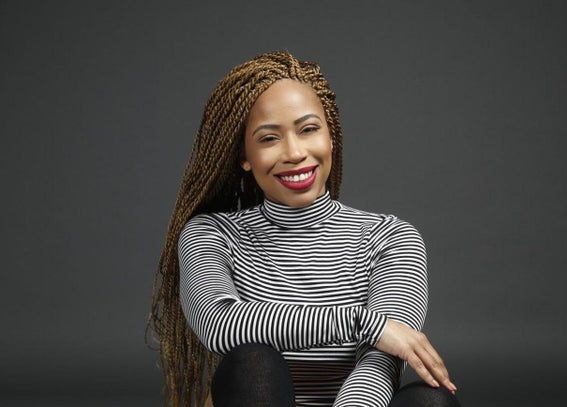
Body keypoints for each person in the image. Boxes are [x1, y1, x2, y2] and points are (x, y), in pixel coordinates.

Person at [147, 51, 461, 407]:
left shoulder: (391, 237)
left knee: (431, 401)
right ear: (244, 156)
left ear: (331, 136)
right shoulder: (211, 234)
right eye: (269, 138)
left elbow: (381, 363)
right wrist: (367, 324)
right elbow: (219, 324)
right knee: (252, 363)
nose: (295, 153)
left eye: (309, 129)